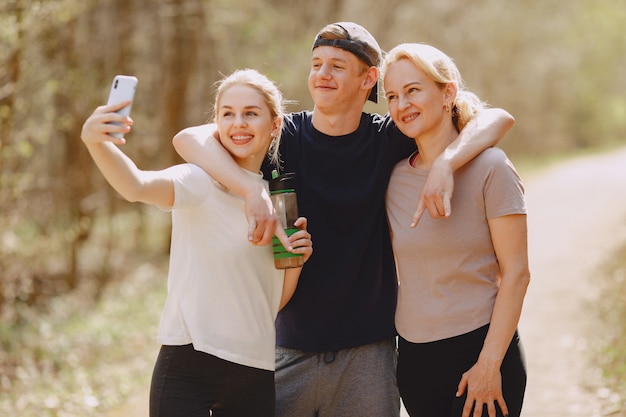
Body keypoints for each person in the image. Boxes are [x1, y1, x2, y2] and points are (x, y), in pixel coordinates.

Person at [173, 23, 514, 417]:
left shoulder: (388, 138)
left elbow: (498, 118)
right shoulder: (280, 136)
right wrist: (251, 191)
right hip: (285, 348)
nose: (322, 74)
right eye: (316, 64)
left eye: (336, 65)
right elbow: (188, 139)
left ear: (368, 78)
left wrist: (448, 164)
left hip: (369, 354)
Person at [80, 69, 313, 417]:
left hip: (254, 370)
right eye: (227, 114)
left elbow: (270, 302)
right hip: (188, 365)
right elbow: (136, 186)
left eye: (251, 113)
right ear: (216, 123)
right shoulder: (197, 180)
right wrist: (96, 142)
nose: (239, 123)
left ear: (275, 124)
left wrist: (296, 263)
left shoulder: (276, 203)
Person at [382, 43, 529, 417]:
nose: (402, 105)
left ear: (448, 93)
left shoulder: (492, 168)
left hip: (481, 352)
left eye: (413, 90)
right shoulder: (393, 178)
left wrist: (489, 365)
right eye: (392, 96)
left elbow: (517, 274)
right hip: (415, 360)